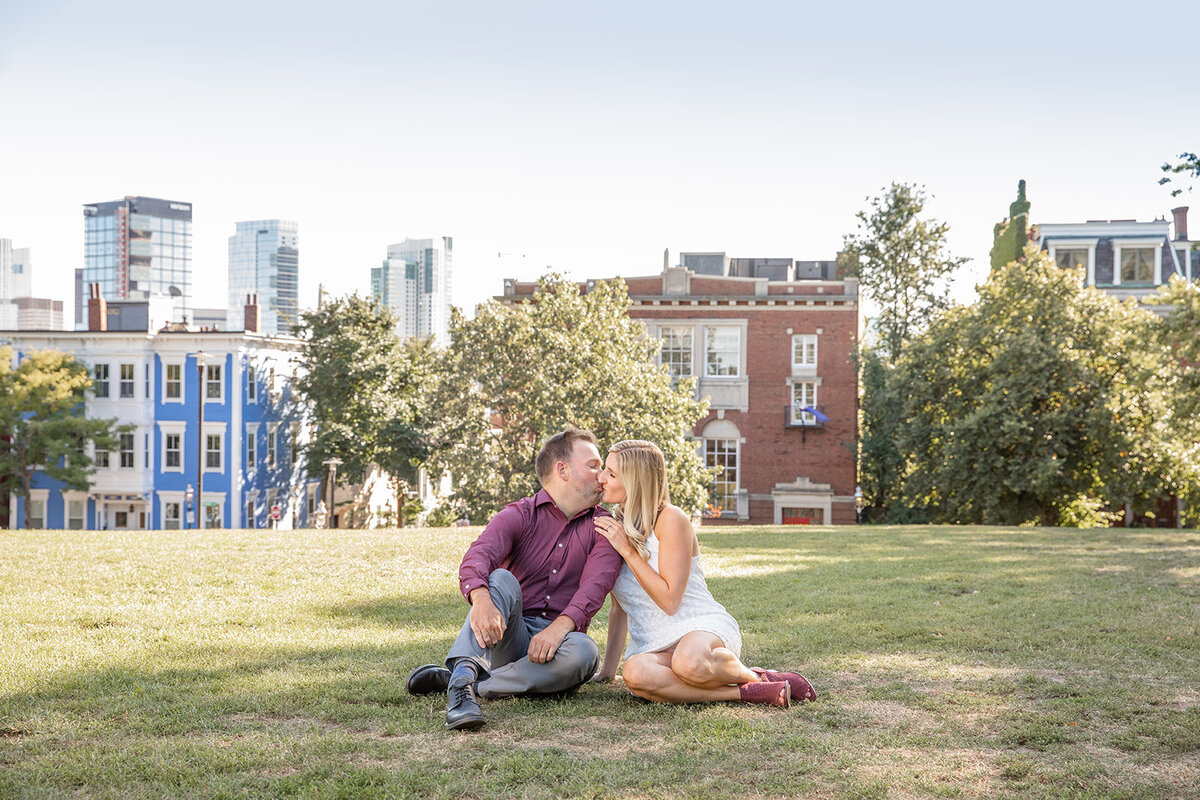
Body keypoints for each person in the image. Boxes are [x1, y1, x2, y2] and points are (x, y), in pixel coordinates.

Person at [406, 428, 623, 731]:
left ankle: (465, 683)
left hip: (559, 648)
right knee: (501, 579)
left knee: (586, 651)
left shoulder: (605, 526)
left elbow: (595, 587)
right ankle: (462, 685)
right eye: (593, 465)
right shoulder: (519, 515)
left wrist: (557, 630)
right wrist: (481, 599)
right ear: (563, 470)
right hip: (508, 635)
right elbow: (477, 558)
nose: (602, 476)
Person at [592, 439, 816, 708]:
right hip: (653, 644)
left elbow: (670, 601)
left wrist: (628, 551)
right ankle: (749, 691)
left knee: (689, 663)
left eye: (611, 473)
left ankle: (756, 676)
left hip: (699, 627)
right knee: (635, 674)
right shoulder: (615, 529)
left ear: (635, 481)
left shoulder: (671, 519)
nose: (601, 477)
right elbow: (620, 606)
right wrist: (608, 670)